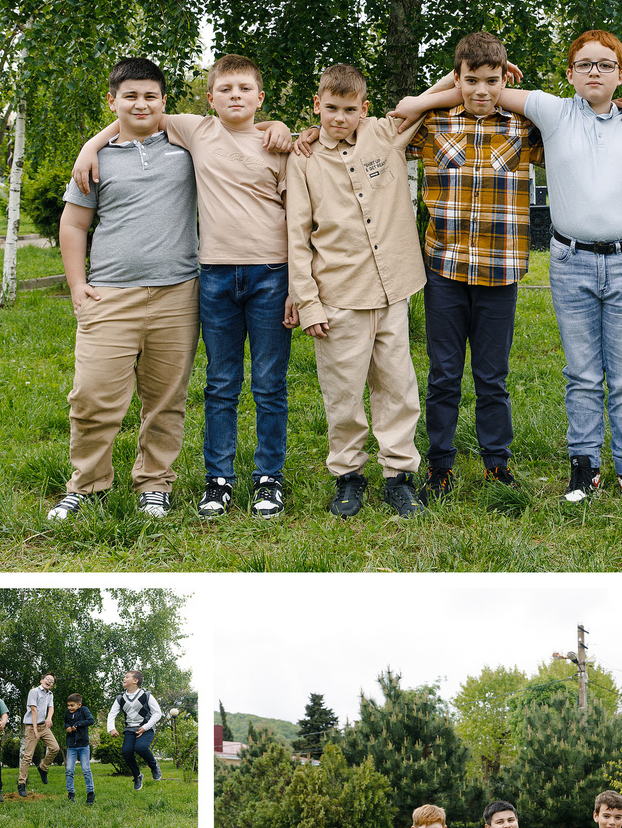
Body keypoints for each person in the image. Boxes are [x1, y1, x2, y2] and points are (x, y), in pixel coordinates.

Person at [71, 55, 298, 518]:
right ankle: (101, 486)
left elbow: (294, 208)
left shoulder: (241, 145)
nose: (235, 96)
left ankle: (238, 480)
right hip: (172, 283)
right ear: (209, 98)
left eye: (245, 89)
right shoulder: (181, 135)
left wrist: (283, 126)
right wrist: (89, 146)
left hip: (233, 282)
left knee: (243, 387)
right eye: (225, 89)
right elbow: (136, 118)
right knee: (207, 384)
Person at [449, 33, 622, 502]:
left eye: (605, 65)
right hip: (571, 260)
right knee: (582, 373)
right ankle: (584, 467)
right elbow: (478, 87)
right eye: (584, 65)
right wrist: (480, 70)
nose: (594, 72)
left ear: (621, 75)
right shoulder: (553, 110)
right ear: (570, 74)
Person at [387, 35, 543, 497]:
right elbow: (395, 119)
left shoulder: (523, 126)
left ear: (504, 81)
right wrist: (444, 88)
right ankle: (440, 465)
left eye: (492, 81)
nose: (481, 90)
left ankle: (497, 463)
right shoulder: (433, 121)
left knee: (492, 377)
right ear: (456, 79)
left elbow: (573, 120)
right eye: (470, 80)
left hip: (500, 271)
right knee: (444, 374)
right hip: (445, 270)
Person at [51, 57, 200, 522]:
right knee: (92, 396)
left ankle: (154, 484)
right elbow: (74, 224)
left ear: (164, 101)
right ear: (112, 100)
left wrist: (278, 127)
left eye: (150, 96)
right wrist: (77, 285)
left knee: (166, 401)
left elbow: (239, 129)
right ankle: (87, 485)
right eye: (130, 95)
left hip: (178, 294)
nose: (141, 104)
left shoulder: (188, 148)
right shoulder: (97, 160)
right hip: (109, 295)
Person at [285, 64, 431, 517]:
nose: (339, 118)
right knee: (343, 392)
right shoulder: (303, 158)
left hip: (392, 290)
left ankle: (398, 475)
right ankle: (348, 475)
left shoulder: (384, 134)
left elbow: (427, 98)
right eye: (331, 108)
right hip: (339, 295)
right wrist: (308, 303)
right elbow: (297, 236)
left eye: (350, 110)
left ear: (364, 109)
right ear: (317, 105)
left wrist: (468, 73)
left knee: (398, 387)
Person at [111, 672, 163, 787]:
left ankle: (154, 766)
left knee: (141, 748)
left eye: (127, 677)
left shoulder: (146, 695)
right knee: (126, 752)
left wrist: (145, 727)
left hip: (146, 728)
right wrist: (112, 729)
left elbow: (157, 713)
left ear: (135, 681)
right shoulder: (121, 698)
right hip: (130, 729)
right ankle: (137, 775)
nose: (124, 678)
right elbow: (112, 713)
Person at [19, 673, 58, 797]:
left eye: (52, 682)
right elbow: (33, 710)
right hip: (31, 726)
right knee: (28, 756)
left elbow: (51, 708)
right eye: (47, 679)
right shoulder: (34, 692)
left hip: (43, 726)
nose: (49, 682)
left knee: (55, 748)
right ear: (41, 680)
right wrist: (35, 729)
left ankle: (43, 768)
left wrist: (49, 718)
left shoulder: (50, 694)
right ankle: (21, 783)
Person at [63, 691, 97, 805]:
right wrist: (68, 727)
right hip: (71, 745)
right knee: (69, 770)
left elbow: (91, 721)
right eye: (68, 705)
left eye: (72, 705)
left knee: (86, 770)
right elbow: (66, 722)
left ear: (79, 705)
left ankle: (90, 793)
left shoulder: (84, 710)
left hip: (83, 745)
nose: (69, 708)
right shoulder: (68, 713)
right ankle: (71, 793)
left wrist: (77, 724)